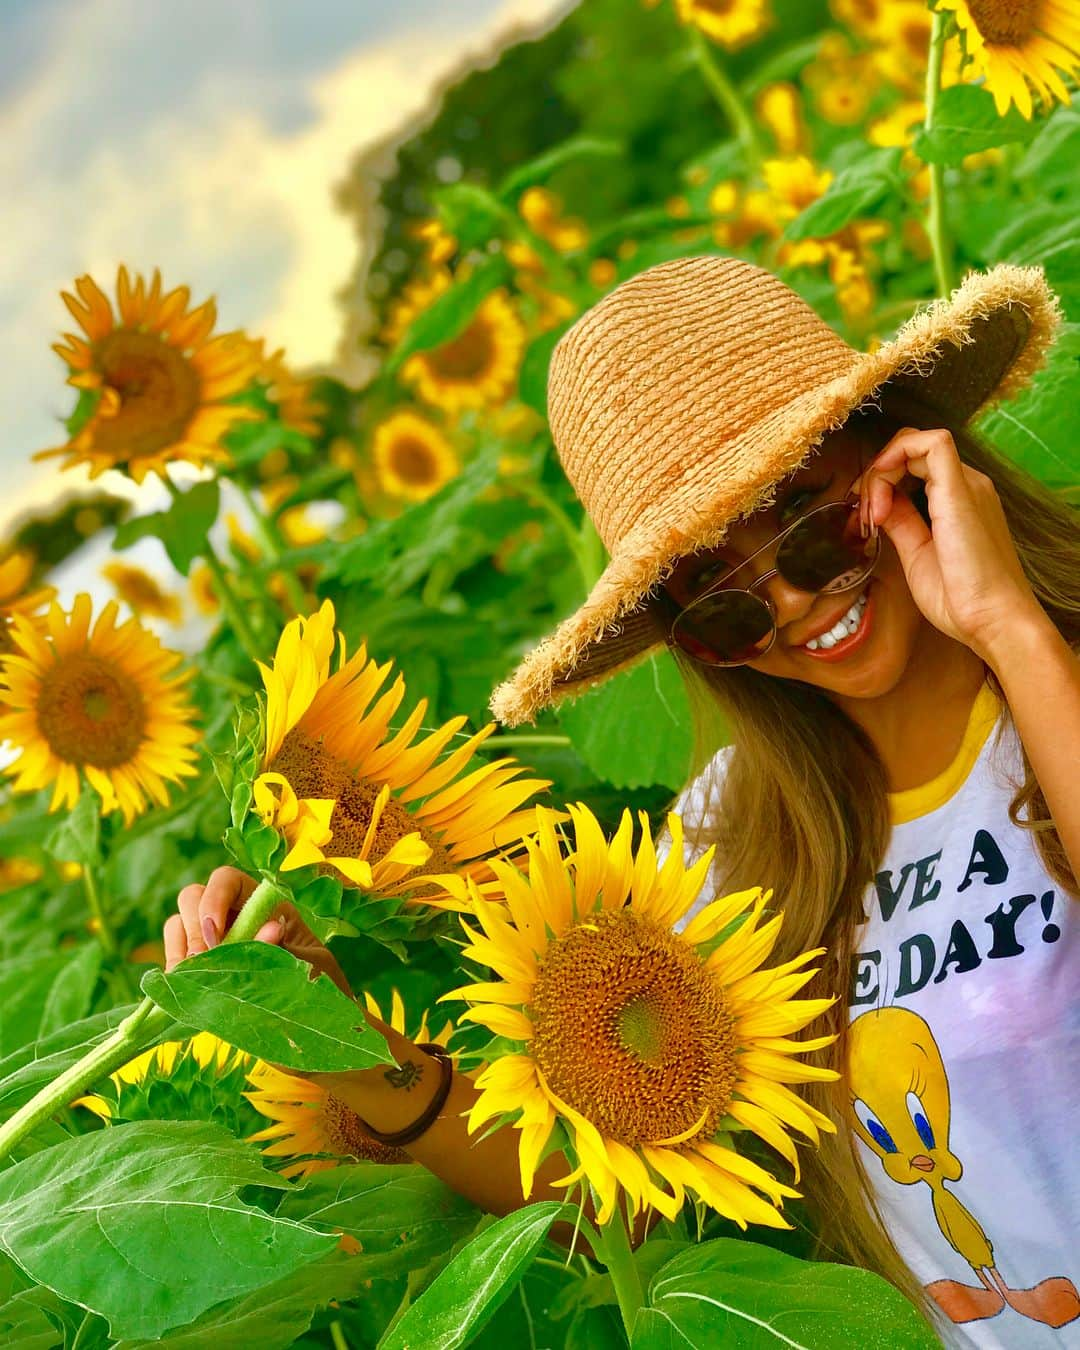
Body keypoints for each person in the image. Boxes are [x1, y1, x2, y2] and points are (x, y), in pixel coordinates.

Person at [164, 256, 1079, 1344]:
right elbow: (618, 1187)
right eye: (723, 601)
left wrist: (1012, 633)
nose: (792, 604)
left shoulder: (1049, 665)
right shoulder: (736, 831)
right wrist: (348, 1050)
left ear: (903, 454)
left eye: (813, 523)